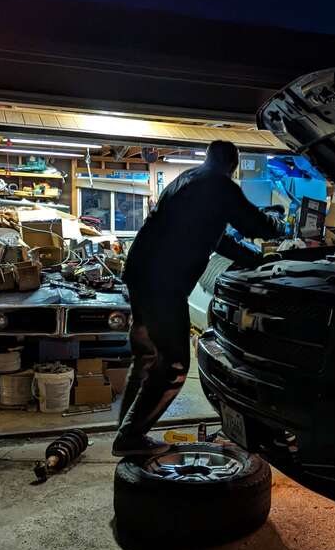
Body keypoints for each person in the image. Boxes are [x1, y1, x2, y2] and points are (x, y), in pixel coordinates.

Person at [112, 140, 284, 456]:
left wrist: (257, 261)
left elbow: (217, 241)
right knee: (175, 365)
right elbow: (255, 225)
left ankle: (127, 433)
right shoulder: (219, 186)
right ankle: (130, 437)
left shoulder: (188, 180)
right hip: (162, 284)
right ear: (233, 166)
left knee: (148, 358)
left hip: (140, 275)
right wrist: (279, 223)